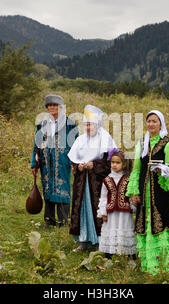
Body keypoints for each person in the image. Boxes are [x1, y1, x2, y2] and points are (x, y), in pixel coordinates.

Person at [127, 110, 169, 275]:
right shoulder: (141, 144)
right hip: (144, 193)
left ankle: (168, 264)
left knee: (163, 224)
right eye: (148, 121)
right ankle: (150, 264)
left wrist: (163, 170)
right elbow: (136, 170)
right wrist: (134, 191)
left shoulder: (168, 143)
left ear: (160, 124)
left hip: (161, 194)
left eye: (154, 121)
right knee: (146, 225)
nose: (151, 124)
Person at [68, 105, 117, 251]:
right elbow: (73, 161)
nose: (88, 128)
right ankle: (84, 240)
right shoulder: (81, 140)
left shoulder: (105, 138)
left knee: (99, 210)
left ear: (97, 124)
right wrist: (79, 167)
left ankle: (100, 242)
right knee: (82, 209)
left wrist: (94, 165)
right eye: (86, 125)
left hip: (97, 184)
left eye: (91, 124)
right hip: (82, 182)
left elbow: (112, 162)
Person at [31, 94, 78, 227]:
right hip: (46, 161)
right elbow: (36, 144)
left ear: (60, 107)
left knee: (62, 188)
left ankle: (63, 221)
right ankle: (49, 220)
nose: (52, 107)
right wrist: (34, 164)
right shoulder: (42, 124)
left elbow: (75, 144)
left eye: (55, 105)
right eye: (50, 105)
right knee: (48, 188)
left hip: (63, 161)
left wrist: (74, 162)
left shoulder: (69, 124)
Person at [97, 148, 137, 259]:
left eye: (118, 162)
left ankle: (130, 255)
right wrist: (103, 212)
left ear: (124, 164)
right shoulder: (107, 180)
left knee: (125, 230)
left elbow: (131, 195)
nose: (114, 165)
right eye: (112, 162)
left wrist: (133, 207)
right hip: (111, 213)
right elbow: (103, 197)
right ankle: (109, 254)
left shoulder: (128, 179)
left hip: (125, 213)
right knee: (111, 231)